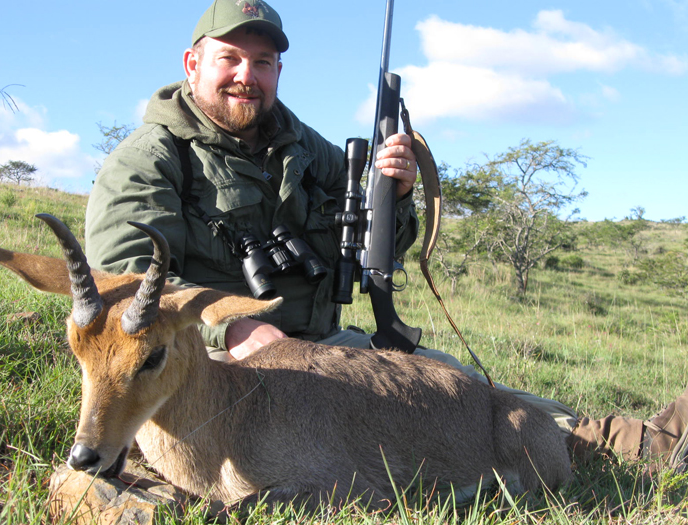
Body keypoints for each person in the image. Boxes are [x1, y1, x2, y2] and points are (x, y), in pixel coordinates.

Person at [84, 0, 688, 473]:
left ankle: (627, 440)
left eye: (262, 63)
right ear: (193, 64)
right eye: (230, 59)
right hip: (216, 364)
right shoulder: (149, 160)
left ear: (279, 71)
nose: (248, 76)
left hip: (326, 348)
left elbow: (381, 244)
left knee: (467, 393)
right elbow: (126, 287)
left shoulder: (300, 144)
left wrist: (395, 198)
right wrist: (232, 326)